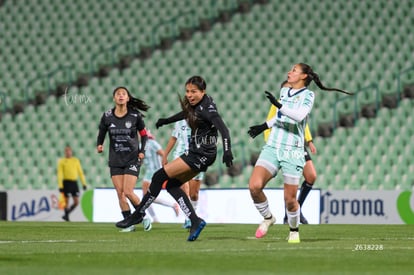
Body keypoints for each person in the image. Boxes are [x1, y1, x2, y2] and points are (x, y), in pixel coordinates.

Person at [115, 75, 233, 241]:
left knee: (158, 177)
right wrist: (166, 121)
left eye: (194, 92)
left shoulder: (208, 109)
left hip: (201, 154)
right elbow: (186, 113)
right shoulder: (197, 105)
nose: (189, 95)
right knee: (171, 185)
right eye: (187, 91)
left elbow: (224, 130)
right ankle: (194, 220)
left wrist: (227, 151)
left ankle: (138, 214)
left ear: (203, 91)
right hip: (200, 153)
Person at [248, 63, 351, 243]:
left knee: (289, 200)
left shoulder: (308, 95)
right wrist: (263, 126)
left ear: (303, 76)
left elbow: (299, 116)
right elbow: (281, 117)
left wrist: (278, 104)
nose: (289, 72)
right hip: (273, 147)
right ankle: (268, 217)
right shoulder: (284, 92)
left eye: (294, 70)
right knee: (254, 186)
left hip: (293, 151)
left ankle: (294, 230)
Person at [96, 86, 151, 232]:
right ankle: (130, 222)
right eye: (118, 94)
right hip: (115, 159)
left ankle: (142, 216)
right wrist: (99, 144)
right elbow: (101, 132)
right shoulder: (107, 116)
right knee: (119, 193)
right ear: (114, 98)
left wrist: (142, 151)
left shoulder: (135, 116)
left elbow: (144, 135)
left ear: (127, 98)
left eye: (123, 94)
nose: (121, 96)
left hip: (132, 158)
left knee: (128, 191)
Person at [264, 81, 318, 224]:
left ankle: (296, 209)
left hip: (297, 144)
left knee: (311, 176)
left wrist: (309, 140)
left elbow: (302, 124)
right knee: (290, 183)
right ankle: (290, 213)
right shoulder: (276, 105)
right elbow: (269, 123)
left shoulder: (298, 104)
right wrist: (271, 145)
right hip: (281, 144)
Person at [162, 119, 205, 229]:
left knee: (194, 194)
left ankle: (193, 215)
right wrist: (165, 155)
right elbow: (173, 138)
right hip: (180, 156)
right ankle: (189, 218)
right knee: (183, 185)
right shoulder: (179, 122)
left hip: (197, 157)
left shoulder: (203, 120)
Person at [142, 130, 180, 223]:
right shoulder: (147, 145)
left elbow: (163, 155)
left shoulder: (149, 144)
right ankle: (156, 218)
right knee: (148, 197)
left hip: (152, 172)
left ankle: (170, 206)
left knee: (147, 197)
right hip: (151, 172)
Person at [57, 145, 87, 222]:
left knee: (76, 202)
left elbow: (80, 172)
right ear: (65, 152)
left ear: (71, 152)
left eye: (69, 150)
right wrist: (60, 186)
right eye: (66, 151)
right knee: (66, 201)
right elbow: (60, 174)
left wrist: (84, 183)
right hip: (66, 182)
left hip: (74, 182)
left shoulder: (75, 160)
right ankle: (66, 217)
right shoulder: (62, 161)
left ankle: (66, 214)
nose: (68, 152)